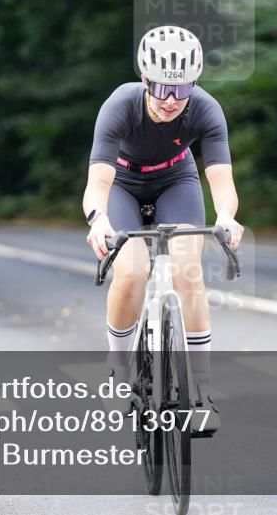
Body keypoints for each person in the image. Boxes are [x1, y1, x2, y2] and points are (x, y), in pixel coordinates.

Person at [82, 25, 243, 433]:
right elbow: (97, 183)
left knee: (188, 272)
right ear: (144, 79)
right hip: (123, 184)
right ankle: (119, 369)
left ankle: (202, 390)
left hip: (177, 179)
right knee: (133, 270)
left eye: (183, 88)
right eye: (161, 88)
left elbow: (222, 182)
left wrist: (225, 216)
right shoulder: (120, 105)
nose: (171, 100)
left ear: (195, 82)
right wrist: (98, 220)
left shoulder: (206, 109)